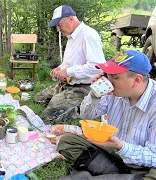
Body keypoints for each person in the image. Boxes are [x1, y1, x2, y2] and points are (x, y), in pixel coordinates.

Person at [57, 50, 156, 179]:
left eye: (115, 77)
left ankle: (112, 174)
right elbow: (86, 116)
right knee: (67, 142)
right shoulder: (112, 91)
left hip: (145, 164)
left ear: (137, 80)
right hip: (114, 152)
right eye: (107, 75)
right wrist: (95, 94)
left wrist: (122, 147)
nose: (108, 81)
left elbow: (153, 156)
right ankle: (119, 174)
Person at [34, 5, 106, 122]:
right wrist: (60, 68)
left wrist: (67, 72)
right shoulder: (71, 36)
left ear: (71, 19)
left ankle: (83, 108)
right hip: (66, 84)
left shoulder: (88, 35)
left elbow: (97, 67)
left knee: (48, 117)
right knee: (39, 99)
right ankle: (61, 99)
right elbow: (72, 61)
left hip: (82, 88)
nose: (58, 29)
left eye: (59, 24)